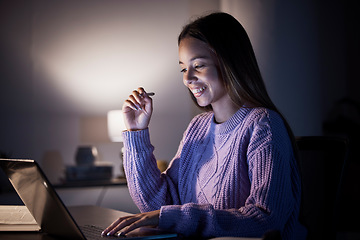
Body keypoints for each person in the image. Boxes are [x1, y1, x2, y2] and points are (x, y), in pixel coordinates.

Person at [102, 12, 306, 239]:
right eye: (183, 68)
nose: (187, 78)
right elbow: (158, 204)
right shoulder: (197, 128)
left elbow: (266, 219)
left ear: (230, 63)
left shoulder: (263, 125)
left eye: (198, 65)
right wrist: (136, 131)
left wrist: (173, 217)